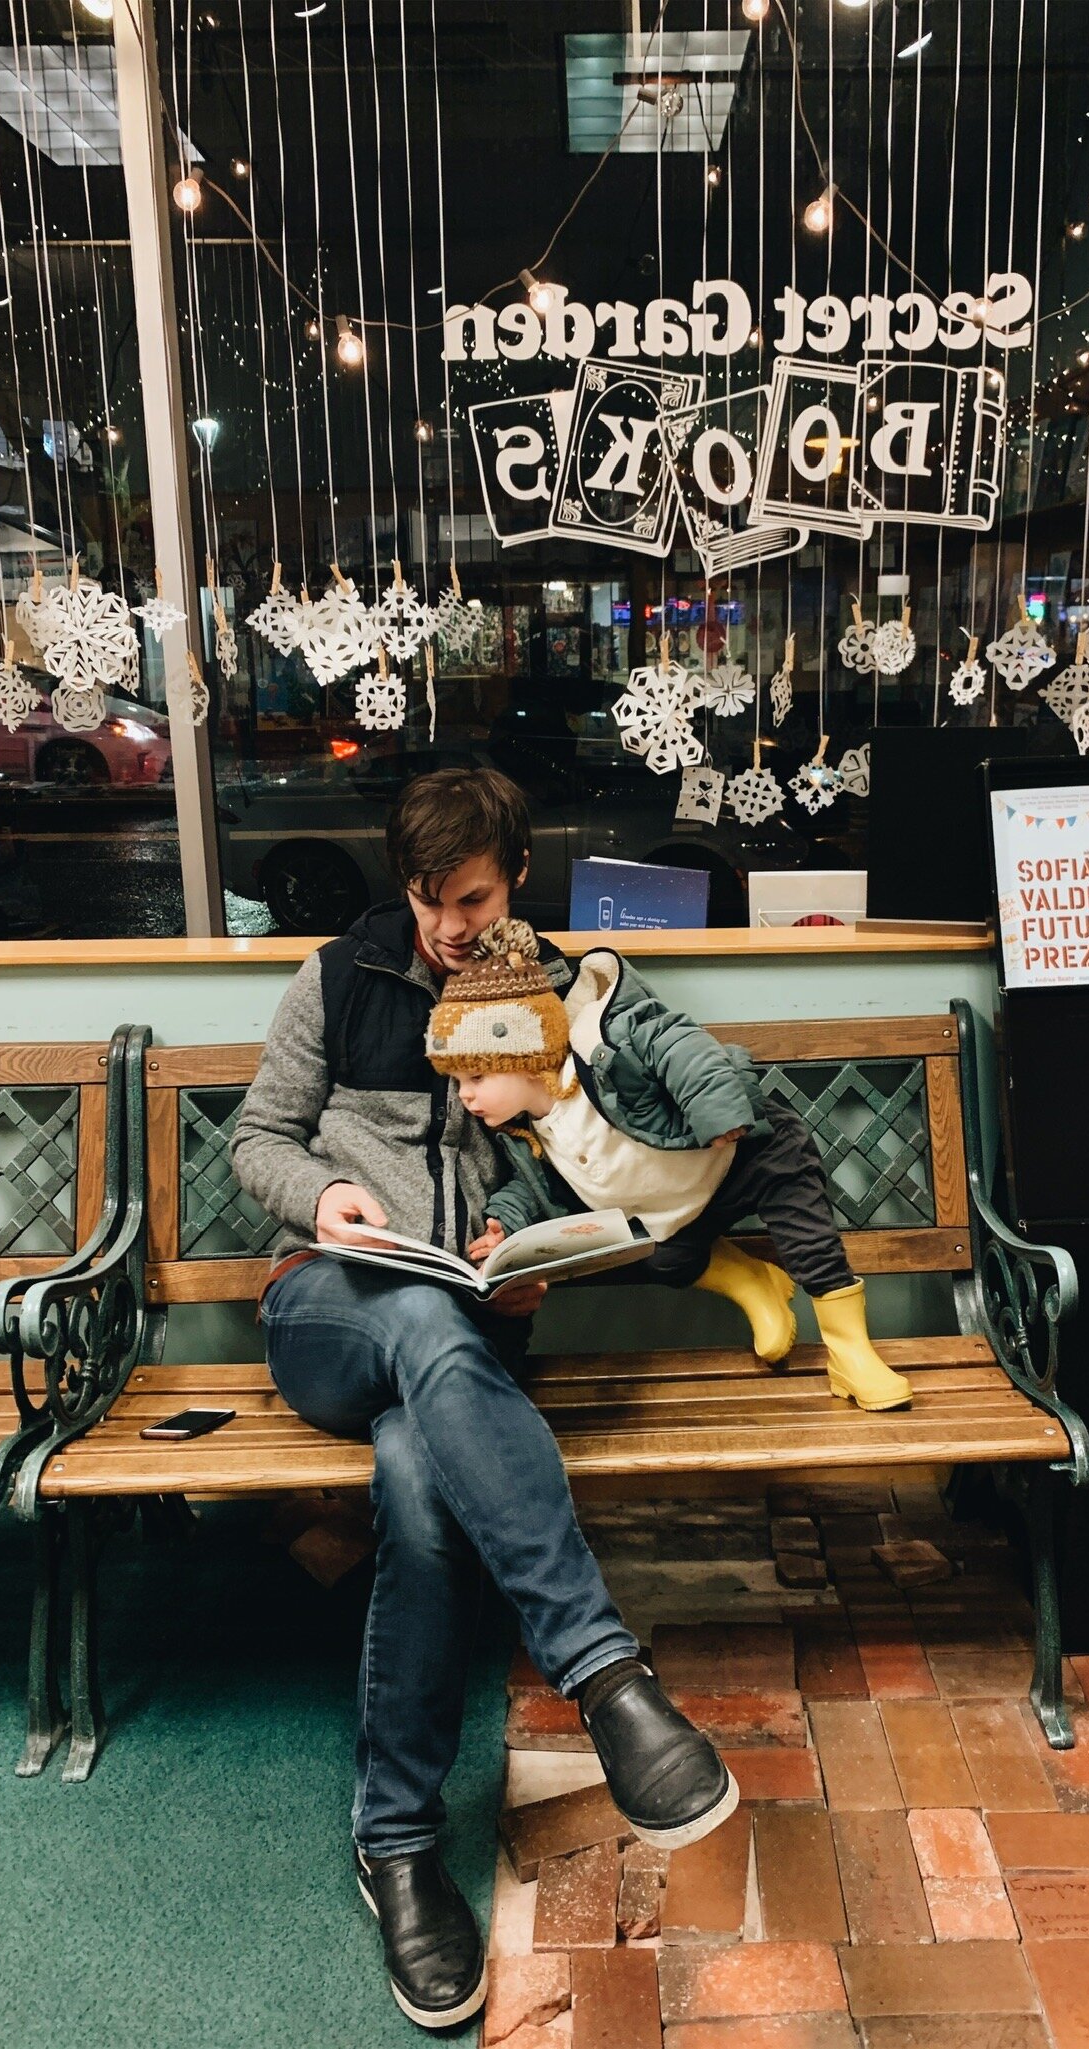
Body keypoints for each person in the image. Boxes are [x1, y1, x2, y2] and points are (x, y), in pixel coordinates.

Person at [229, 768, 738, 2035]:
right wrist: (323, 1204)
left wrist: (531, 1239)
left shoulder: (558, 998)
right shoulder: (338, 979)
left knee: (415, 1472)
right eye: (427, 898)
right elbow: (256, 1140)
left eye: (471, 897)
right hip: (328, 1311)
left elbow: (605, 1166)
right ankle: (608, 1677)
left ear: (517, 874)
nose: (448, 925)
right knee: (405, 1318)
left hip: (469, 1343)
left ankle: (395, 1844)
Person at [427, 917, 913, 1413]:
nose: (465, 1095)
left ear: (525, 1057)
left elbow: (679, 1044)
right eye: (458, 1080)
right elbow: (534, 1187)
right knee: (659, 1257)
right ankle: (751, 1280)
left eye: (477, 1075)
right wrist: (505, 1224)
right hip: (677, 1216)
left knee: (798, 1207)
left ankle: (850, 1353)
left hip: (738, 1156)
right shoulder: (523, 1131)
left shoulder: (604, 1050)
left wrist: (717, 1112)